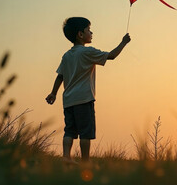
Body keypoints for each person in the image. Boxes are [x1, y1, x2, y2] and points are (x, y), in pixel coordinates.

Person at [45, 17, 130, 163]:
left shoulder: (66, 55)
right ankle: (85, 161)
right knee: (86, 132)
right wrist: (123, 42)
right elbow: (111, 55)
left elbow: (60, 77)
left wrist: (53, 93)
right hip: (84, 99)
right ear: (80, 34)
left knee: (69, 130)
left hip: (68, 100)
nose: (91, 32)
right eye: (88, 30)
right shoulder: (87, 52)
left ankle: (66, 157)